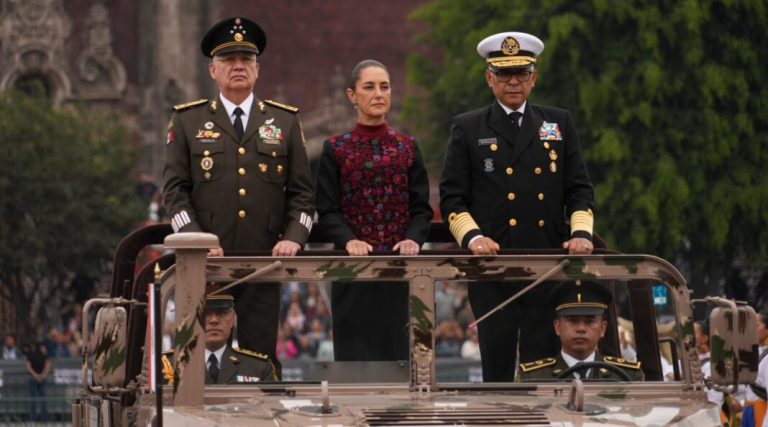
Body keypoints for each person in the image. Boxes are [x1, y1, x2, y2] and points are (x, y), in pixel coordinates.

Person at [439, 31, 596, 381]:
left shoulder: (558, 123)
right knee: (496, 367)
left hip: (546, 264)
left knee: (544, 367)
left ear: (533, 78)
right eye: (504, 75)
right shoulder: (468, 126)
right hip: (493, 266)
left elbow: (580, 189)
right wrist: (473, 237)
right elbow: (452, 197)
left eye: (521, 74)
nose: (513, 83)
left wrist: (582, 232)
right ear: (489, 79)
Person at [162, 16, 314, 367]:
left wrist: (295, 237)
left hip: (264, 262)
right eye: (229, 60)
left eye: (246, 60)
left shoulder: (285, 121)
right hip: (206, 265)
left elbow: (303, 195)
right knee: (198, 362)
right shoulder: (187, 121)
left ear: (258, 69)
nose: (238, 67)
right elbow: (174, 191)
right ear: (213, 70)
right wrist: (194, 239)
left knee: (260, 362)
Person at [315, 59, 433, 361]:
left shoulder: (408, 147)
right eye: (369, 87)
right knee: (356, 364)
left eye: (385, 87)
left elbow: (421, 208)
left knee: (402, 361)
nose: (378, 94)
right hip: (353, 271)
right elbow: (327, 209)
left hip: (401, 269)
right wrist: (348, 240)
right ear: (352, 95)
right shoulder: (335, 149)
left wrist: (413, 239)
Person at [518, 280, 644, 381]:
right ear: (557, 327)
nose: (581, 329)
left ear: (602, 328)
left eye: (589, 321)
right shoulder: (533, 377)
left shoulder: (627, 376)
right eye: (572, 320)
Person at [162, 295, 277, 384]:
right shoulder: (167, 365)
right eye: (205, 314)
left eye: (221, 313)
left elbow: (272, 408)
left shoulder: (258, 368)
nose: (214, 320)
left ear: (232, 320)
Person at [26, 342, 50, 422]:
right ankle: (44, 419)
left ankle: (33, 419)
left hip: (33, 379)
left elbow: (28, 368)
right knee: (43, 399)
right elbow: (47, 367)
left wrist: (35, 375)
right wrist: (42, 376)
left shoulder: (31, 356)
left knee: (33, 399)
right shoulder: (45, 356)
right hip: (42, 379)